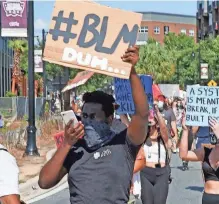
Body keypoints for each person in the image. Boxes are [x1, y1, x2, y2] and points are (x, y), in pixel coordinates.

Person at [38, 46, 149, 204]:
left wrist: (131, 71)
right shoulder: (76, 148)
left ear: (109, 119)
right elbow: (44, 182)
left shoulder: (124, 141)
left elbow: (142, 114)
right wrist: (66, 144)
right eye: (84, 116)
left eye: (93, 116)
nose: (87, 121)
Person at [180, 118, 219, 204]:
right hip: (209, 198)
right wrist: (185, 130)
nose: (214, 134)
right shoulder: (205, 151)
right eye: (213, 131)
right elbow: (184, 155)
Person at [140, 107, 171, 204]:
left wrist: (157, 112)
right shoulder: (142, 137)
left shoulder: (163, 139)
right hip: (145, 173)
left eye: (152, 118)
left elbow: (164, 129)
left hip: (161, 173)